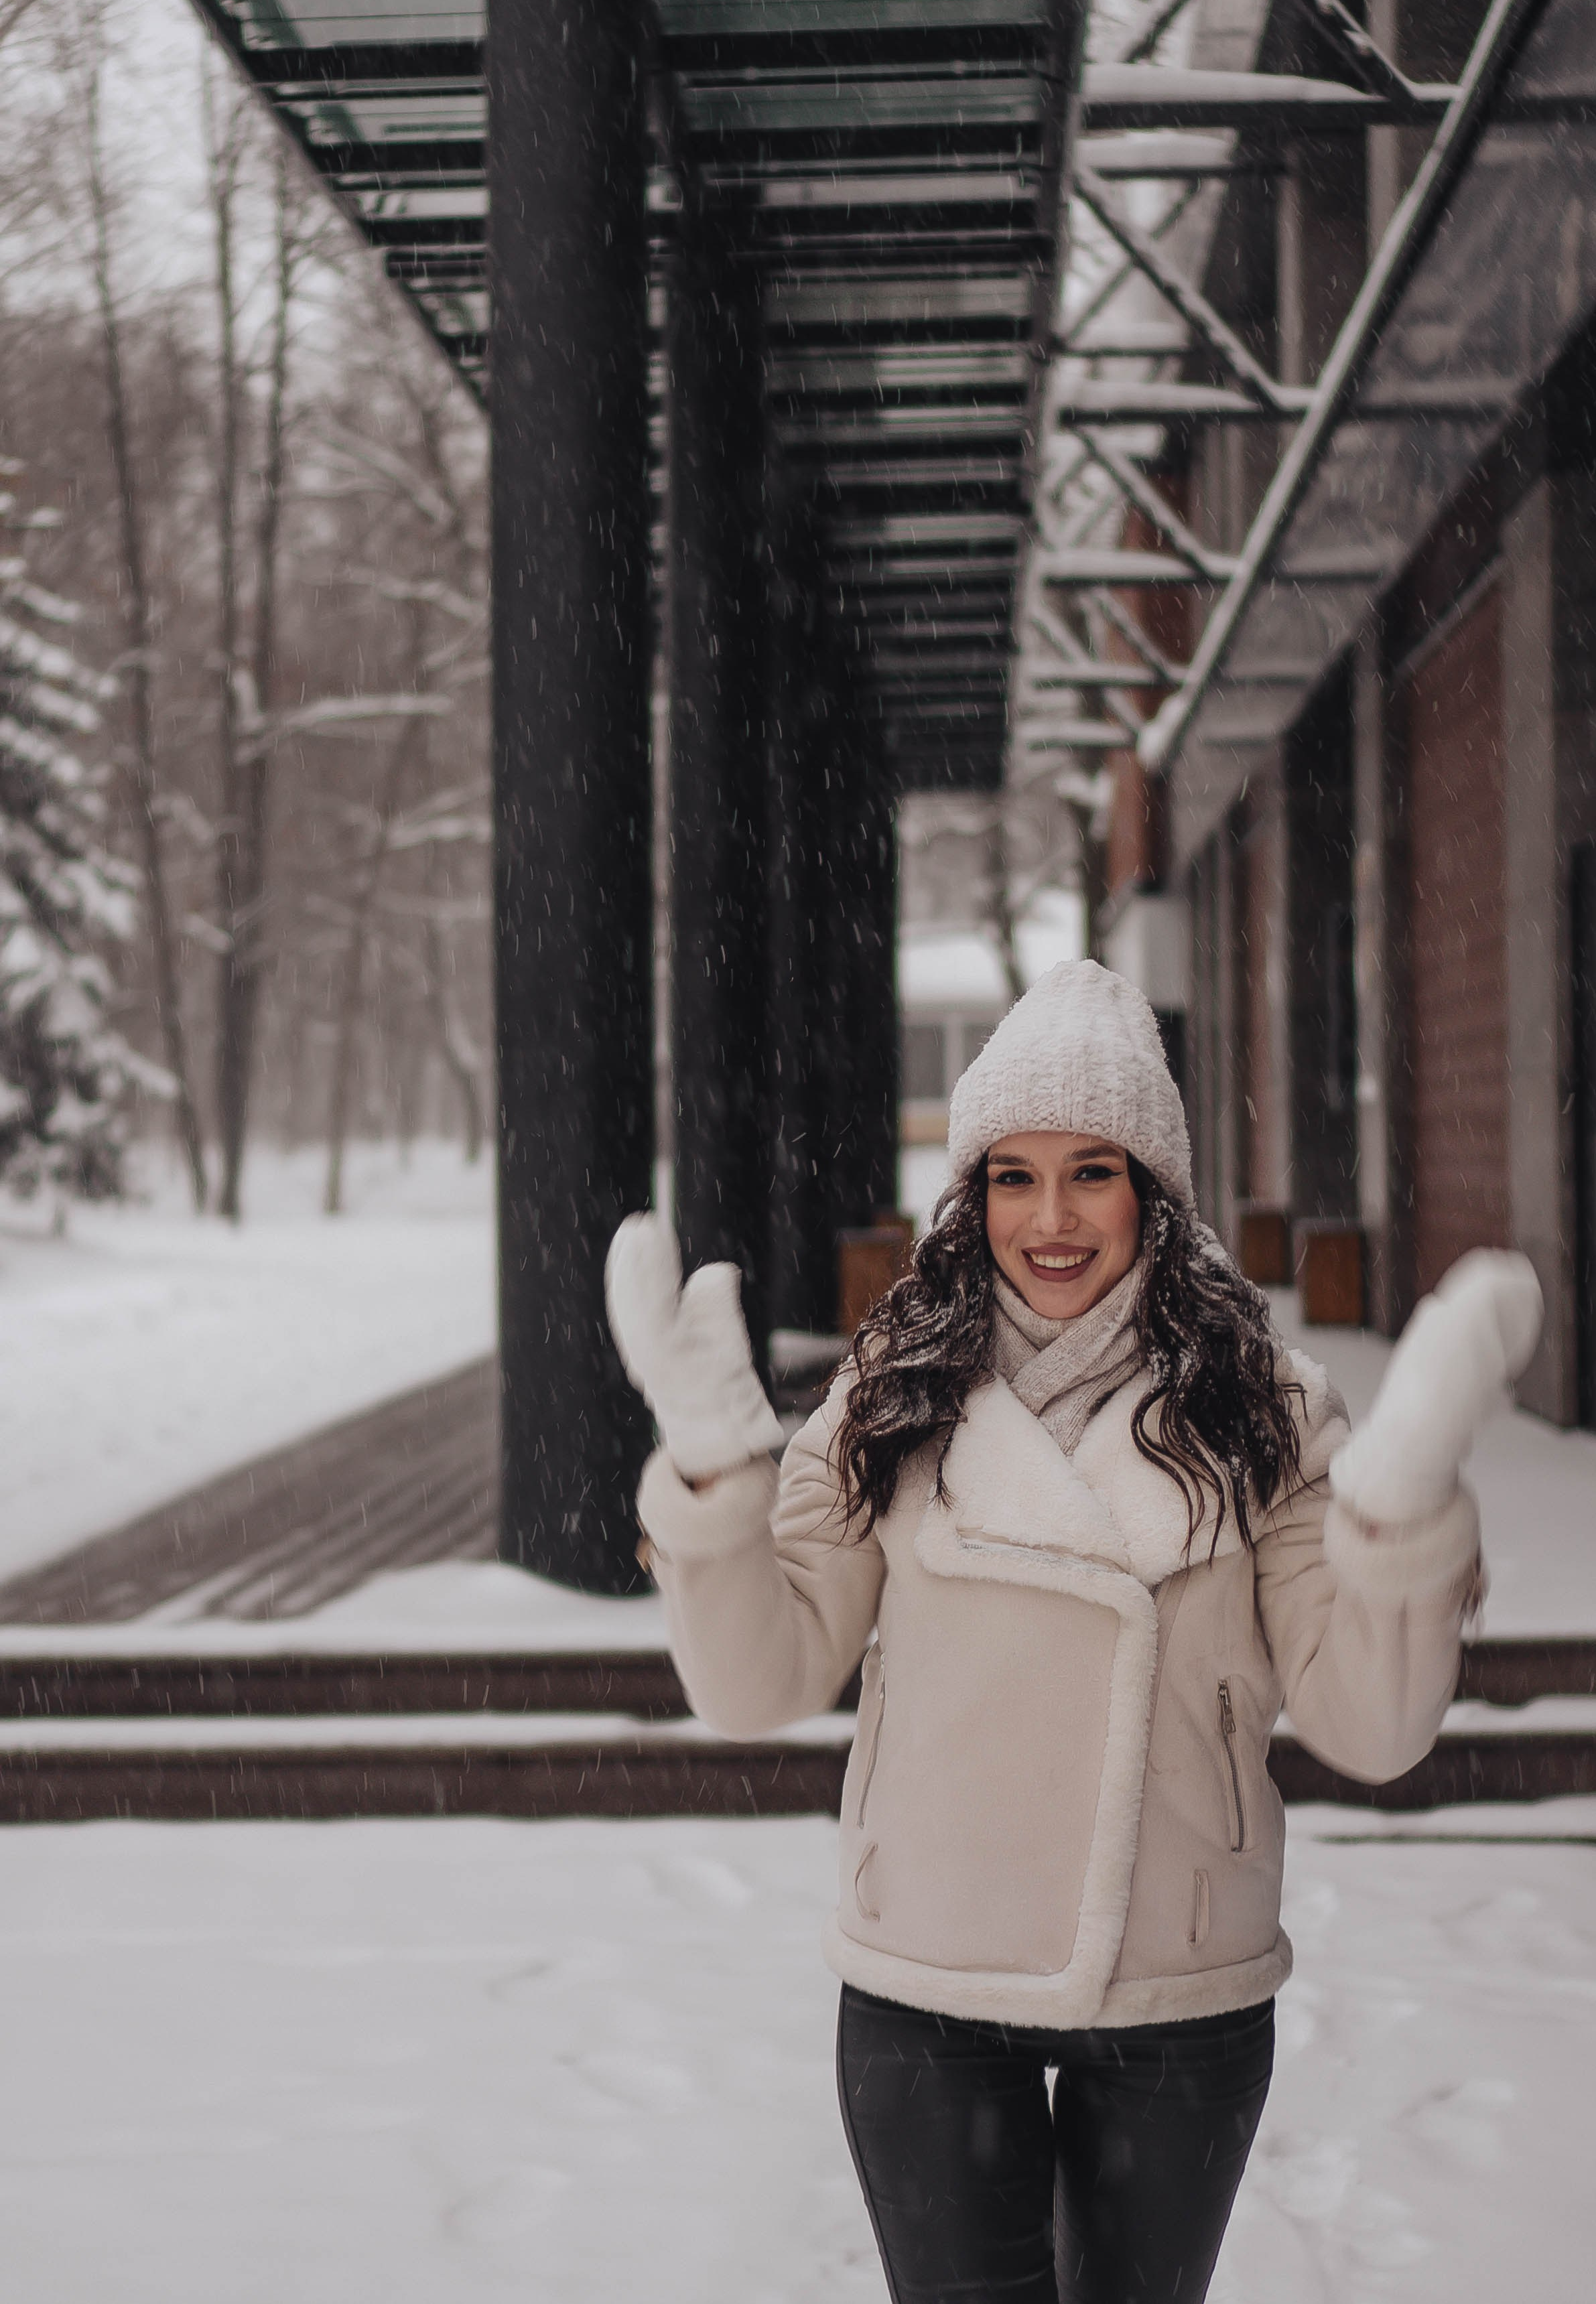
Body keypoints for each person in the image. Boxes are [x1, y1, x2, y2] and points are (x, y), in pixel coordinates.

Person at [606, 958, 1540, 2304]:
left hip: (1176, 1982)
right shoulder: (888, 1390)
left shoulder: (1264, 1404)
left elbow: (1371, 1726)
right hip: (930, 1978)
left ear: (1151, 1189)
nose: (1050, 1218)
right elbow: (759, 1681)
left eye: (1092, 1170)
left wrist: (1396, 1521)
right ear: (970, 1192)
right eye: (1012, 1174)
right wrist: (707, 1485)